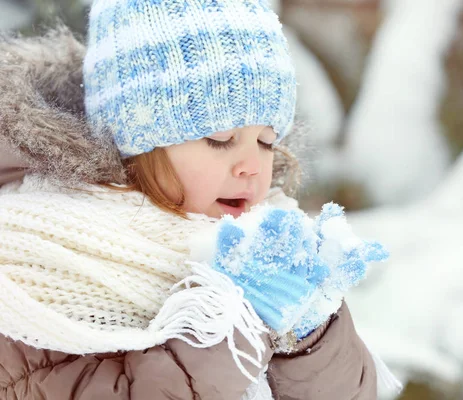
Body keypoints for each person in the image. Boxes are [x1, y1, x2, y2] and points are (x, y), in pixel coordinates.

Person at [0, 1, 396, 399]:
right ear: (133, 142)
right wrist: (230, 330)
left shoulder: (263, 242)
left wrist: (310, 332)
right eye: (219, 139)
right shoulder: (37, 262)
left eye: (266, 141)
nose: (252, 167)